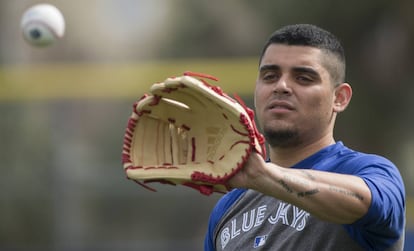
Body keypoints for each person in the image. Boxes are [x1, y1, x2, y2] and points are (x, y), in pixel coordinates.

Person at [204, 24, 406, 251]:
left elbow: (368, 203)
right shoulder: (228, 208)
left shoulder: (369, 171)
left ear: (339, 98)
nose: (281, 86)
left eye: (303, 78)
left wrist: (262, 175)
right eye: (270, 76)